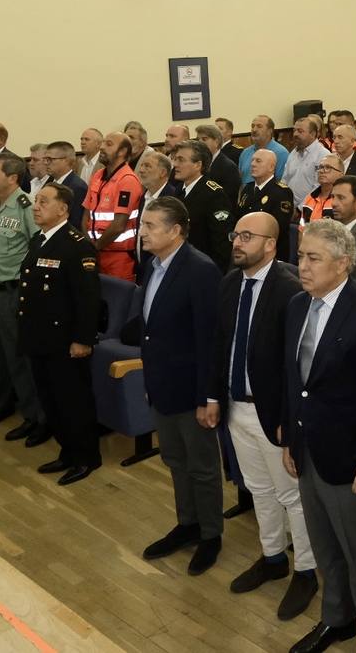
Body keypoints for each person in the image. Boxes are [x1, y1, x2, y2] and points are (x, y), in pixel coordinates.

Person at [282, 219, 356, 653]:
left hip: (350, 459)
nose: (303, 266)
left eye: (313, 258)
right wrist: (292, 441)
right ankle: (337, 620)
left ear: (343, 263)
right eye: (301, 256)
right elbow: (296, 381)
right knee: (325, 547)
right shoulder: (297, 306)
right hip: (309, 450)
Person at [205, 211, 318, 619]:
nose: (237, 242)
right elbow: (219, 343)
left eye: (247, 236)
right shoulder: (230, 282)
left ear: (271, 244)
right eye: (236, 234)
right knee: (259, 489)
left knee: (293, 497)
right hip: (236, 406)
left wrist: (291, 420)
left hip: (273, 414)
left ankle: (306, 569)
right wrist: (213, 397)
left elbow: (296, 365)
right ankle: (273, 557)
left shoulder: (290, 290)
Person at [135, 197, 227, 576]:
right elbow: (151, 329)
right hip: (163, 384)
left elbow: (211, 339)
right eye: (143, 224)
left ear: (175, 231)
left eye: (150, 226)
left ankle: (210, 535)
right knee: (174, 460)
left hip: (192, 391)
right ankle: (187, 523)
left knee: (202, 466)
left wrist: (209, 396)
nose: (142, 232)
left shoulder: (200, 270)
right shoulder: (152, 265)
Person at [17, 184, 102, 486]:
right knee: (51, 400)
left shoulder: (76, 245)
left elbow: (87, 299)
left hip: (65, 341)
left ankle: (86, 457)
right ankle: (67, 451)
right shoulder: (40, 239)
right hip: (40, 338)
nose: (36, 207)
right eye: (35, 201)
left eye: (43, 202)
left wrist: (82, 340)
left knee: (73, 401)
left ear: (63, 209)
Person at [0, 153, 46, 440]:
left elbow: (39, 249)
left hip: (19, 291)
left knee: (28, 358)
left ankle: (43, 418)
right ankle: (29, 414)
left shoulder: (26, 208)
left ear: (13, 178)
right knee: (12, 357)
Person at [83, 132, 144, 281]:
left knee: (118, 300)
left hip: (118, 257)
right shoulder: (98, 175)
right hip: (94, 253)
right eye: (103, 143)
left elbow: (119, 225)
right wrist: (88, 246)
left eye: (109, 144)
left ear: (122, 151)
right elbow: (86, 214)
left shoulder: (127, 180)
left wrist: (95, 247)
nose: (102, 147)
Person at [173, 140, 234, 271]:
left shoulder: (214, 194)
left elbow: (221, 243)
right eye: (175, 159)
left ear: (198, 165)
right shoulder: (178, 190)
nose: (175, 164)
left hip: (202, 268)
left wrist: (214, 273)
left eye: (181, 160)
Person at [238, 149, 296, 263]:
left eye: (258, 161)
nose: (253, 164)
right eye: (252, 160)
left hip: (270, 253)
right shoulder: (248, 189)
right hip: (246, 248)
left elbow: (278, 227)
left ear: (271, 167)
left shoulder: (282, 192)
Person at [284, 115, 329, 204]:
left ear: (312, 134)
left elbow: (318, 187)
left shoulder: (323, 155)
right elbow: (285, 179)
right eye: (294, 131)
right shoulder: (293, 153)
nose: (295, 134)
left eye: (300, 131)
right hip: (289, 205)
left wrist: (300, 209)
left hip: (310, 208)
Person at [44, 141, 88, 231]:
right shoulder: (48, 183)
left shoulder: (77, 187)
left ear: (66, 160)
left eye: (50, 159)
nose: (46, 163)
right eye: (45, 159)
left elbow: (75, 223)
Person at [238, 115, 290, 185]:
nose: (254, 130)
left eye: (259, 126)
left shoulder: (281, 153)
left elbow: (281, 182)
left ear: (270, 131)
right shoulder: (245, 153)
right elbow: (241, 181)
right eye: (252, 126)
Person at [301, 155, 342, 227]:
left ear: (340, 175)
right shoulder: (309, 198)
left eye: (328, 168)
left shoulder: (342, 201)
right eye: (320, 167)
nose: (322, 171)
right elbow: (302, 229)